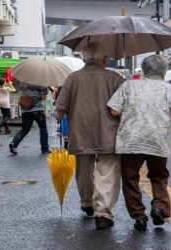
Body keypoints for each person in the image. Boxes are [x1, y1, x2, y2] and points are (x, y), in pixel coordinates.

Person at [107, 55, 171, 231]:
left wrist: (130, 116)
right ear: (163, 71)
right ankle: (159, 207)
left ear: (144, 70)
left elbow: (114, 111)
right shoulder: (168, 89)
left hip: (130, 139)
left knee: (130, 178)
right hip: (157, 139)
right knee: (159, 176)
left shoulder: (129, 85)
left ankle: (139, 216)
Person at [55, 42, 126, 230]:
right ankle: (102, 212)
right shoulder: (115, 78)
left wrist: (61, 117)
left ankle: (87, 203)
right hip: (108, 132)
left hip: (80, 131)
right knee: (107, 171)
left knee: (83, 169)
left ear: (84, 58)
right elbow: (125, 106)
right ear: (104, 58)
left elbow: (60, 108)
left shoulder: (72, 78)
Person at [9, 83, 50, 155]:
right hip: (37, 109)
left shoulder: (23, 83)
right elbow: (43, 97)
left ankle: (14, 143)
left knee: (24, 129)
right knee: (43, 129)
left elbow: (21, 95)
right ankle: (44, 148)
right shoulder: (42, 82)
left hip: (25, 110)